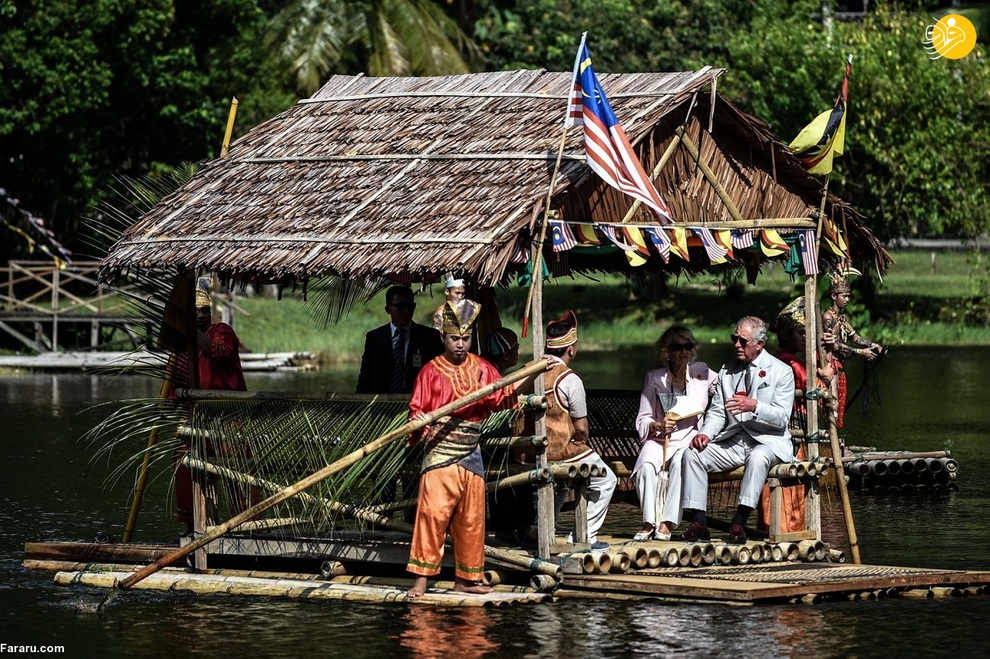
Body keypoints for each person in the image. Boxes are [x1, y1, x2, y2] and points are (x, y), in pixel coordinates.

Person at [405, 300, 552, 598]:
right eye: (454, 339)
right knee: (432, 514)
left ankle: (467, 579)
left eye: (466, 339)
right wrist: (419, 420)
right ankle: (421, 577)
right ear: (443, 339)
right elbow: (416, 413)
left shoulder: (483, 369)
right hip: (440, 450)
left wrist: (533, 372)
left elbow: (503, 397)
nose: (460, 345)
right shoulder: (430, 372)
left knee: (471, 518)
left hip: (471, 450)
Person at [679, 316, 795, 544]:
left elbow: (782, 418)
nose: (736, 345)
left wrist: (756, 406)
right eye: (735, 339)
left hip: (767, 441)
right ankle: (699, 522)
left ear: (760, 344)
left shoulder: (781, 372)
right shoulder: (728, 371)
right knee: (692, 454)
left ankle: (739, 522)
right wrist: (705, 434)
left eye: (743, 341)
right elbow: (717, 412)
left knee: (759, 457)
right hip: (733, 440)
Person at [173, 278, 249, 529]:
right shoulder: (182, 347)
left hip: (227, 418)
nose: (200, 316)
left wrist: (191, 331)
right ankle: (196, 525)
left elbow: (217, 351)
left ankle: (247, 525)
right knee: (184, 463)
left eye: (203, 311)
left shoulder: (221, 331)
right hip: (197, 420)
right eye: (194, 312)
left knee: (236, 473)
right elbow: (175, 384)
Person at [632, 324, 717, 541]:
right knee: (646, 467)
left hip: (688, 438)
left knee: (682, 462)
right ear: (667, 351)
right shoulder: (654, 378)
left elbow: (727, 387)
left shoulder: (702, 373)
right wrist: (658, 425)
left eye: (688, 346)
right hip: (661, 439)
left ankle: (666, 522)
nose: (684, 352)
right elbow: (643, 417)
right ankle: (649, 521)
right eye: (678, 347)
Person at [757, 297, 834, 534]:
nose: (804, 338)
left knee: (794, 493)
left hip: (793, 435)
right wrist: (826, 377)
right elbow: (817, 387)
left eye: (806, 333)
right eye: (800, 332)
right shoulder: (788, 363)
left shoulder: (789, 361)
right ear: (787, 335)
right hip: (790, 436)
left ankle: (785, 531)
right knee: (789, 491)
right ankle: (785, 534)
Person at [543, 310, 617, 551]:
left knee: (560, 485)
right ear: (571, 349)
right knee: (606, 479)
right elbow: (581, 427)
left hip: (531, 451)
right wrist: (581, 439)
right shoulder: (569, 379)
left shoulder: (529, 372)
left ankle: (544, 530)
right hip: (562, 451)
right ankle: (585, 535)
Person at [482, 327, 536, 548]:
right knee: (504, 478)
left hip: (500, 438)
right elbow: (502, 396)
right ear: (506, 354)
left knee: (521, 478)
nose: (518, 352)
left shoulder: (492, 370)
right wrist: (533, 371)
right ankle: (505, 530)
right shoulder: (487, 372)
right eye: (516, 349)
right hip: (488, 439)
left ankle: (522, 529)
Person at [356, 285, 443, 394]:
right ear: (388, 309)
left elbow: (439, 376)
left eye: (410, 306)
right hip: (381, 404)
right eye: (401, 307)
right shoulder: (375, 338)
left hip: (418, 403)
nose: (406, 311)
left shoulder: (430, 336)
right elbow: (365, 377)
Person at [822, 273, 883, 428]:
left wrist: (873, 345)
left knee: (840, 403)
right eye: (844, 296)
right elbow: (834, 345)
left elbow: (855, 337)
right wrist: (860, 353)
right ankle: (830, 442)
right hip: (830, 365)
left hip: (840, 365)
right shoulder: (828, 317)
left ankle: (835, 441)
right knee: (832, 404)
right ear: (834, 296)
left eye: (849, 296)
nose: (847, 299)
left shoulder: (842, 318)